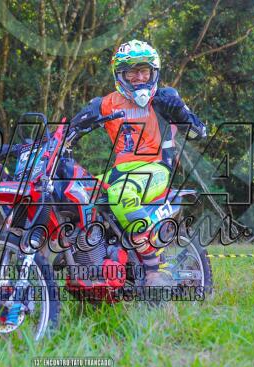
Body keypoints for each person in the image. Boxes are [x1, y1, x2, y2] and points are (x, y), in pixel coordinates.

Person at [69, 39, 207, 287]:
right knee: (76, 191)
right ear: (119, 74)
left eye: (144, 70)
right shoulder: (106, 103)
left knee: (122, 194)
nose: (139, 77)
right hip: (120, 171)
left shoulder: (166, 98)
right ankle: (95, 260)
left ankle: (153, 270)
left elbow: (200, 133)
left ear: (154, 72)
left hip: (156, 168)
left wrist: (180, 113)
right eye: (132, 71)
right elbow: (68, 131)